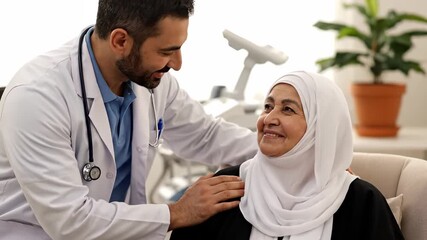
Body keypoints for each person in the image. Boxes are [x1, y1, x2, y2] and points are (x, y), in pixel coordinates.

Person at [0, 0, 258, 239]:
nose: (177, 64)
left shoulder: (152, 82)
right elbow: (69, 220)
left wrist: (289, 149)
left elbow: (206, 135)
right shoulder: (37, 96)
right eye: (167, 51)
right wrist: (177, 213)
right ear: (121, 41)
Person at [170, 71, 404, 240]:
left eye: (288, 109)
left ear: (319, 128)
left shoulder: (361, 201)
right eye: (268, 106)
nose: (269, 119)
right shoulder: (225, 190)